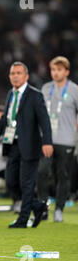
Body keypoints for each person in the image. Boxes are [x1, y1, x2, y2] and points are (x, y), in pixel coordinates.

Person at [0, 61, 53, 228]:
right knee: (10, 182)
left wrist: (47, 142)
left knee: (26, 183)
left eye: (19, 73)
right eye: (12, 73)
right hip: (12, 144)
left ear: (26, 76)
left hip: (30, 145)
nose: (15, 76)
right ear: (9, 76)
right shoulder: (10, 94)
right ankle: (38, 206)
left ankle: (23, 219)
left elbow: (45, 120)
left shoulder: (35, 95)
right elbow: (3, 120)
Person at [37, 56, 78, 222]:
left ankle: (59, 209)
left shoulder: (75, 90)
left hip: (66, 139)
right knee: (42, 172)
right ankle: (43, 208)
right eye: (53, 69)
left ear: (66, 72)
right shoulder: (45, 88)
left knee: (63, 175)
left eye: (59, 70)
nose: (55, 73)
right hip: (47, 140)